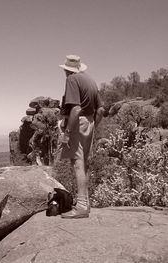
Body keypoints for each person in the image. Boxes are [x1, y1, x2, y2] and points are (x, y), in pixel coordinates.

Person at [58, 55, 104, 219]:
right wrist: (92, 126)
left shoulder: (72, 79)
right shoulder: (90, 81)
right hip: (89, 122)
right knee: (84, 163)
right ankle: (86, 202)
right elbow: (101, 110)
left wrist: (68, 133)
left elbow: (76, 109)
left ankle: (82, 206)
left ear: (66, 70)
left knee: (77, 163)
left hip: (78, 122)